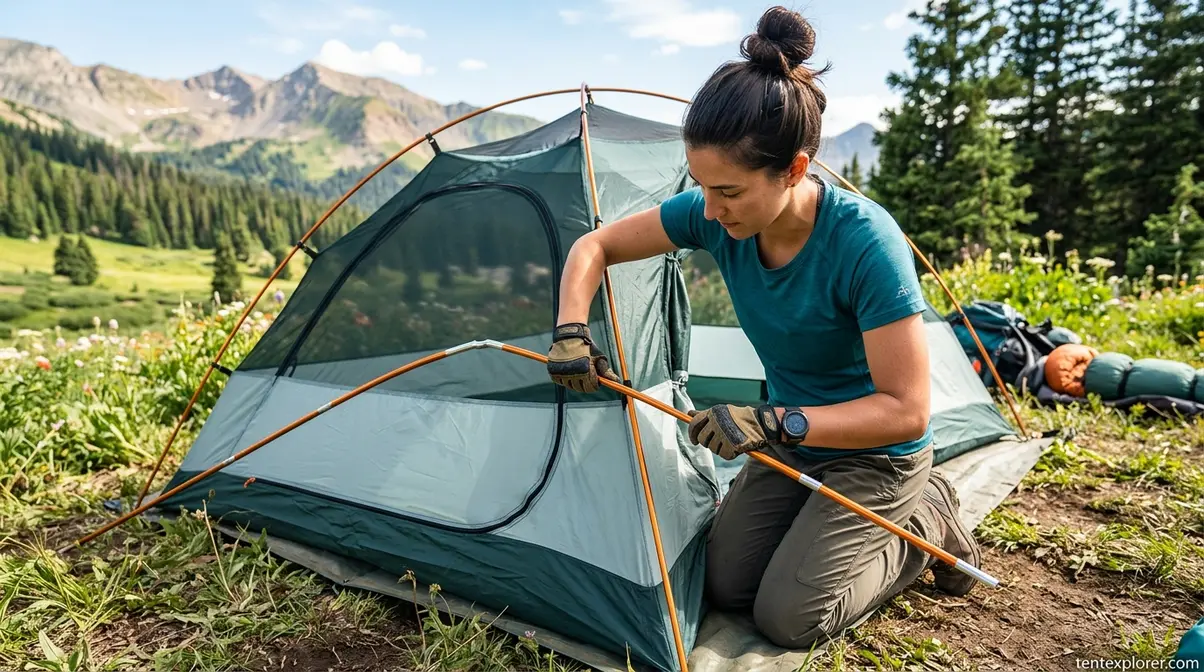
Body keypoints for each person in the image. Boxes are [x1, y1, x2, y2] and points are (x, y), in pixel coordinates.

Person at [544, 4, 982, 651]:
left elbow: (907, 411)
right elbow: (594, 247)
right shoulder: (715, 214)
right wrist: (571, 329)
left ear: (796, 171)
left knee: (790, 618)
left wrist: (775, 421)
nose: (710, 212)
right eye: (701, 187)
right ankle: (829, 517)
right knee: (725, 587)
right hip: (794, 444)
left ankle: (926, 521)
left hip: (877, 456)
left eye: (729, 192)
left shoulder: (864, 244)